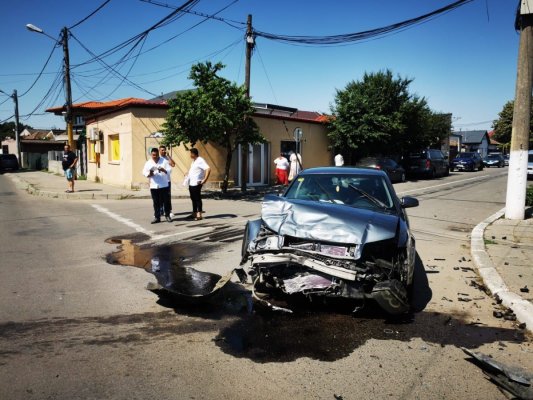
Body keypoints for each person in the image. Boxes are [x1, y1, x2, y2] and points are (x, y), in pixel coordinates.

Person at [142, 147, 171, 224]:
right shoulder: (148, 163)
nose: (154, 156)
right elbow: (144, 172)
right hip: (154, 185)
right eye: (153, 155)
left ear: (158, 154)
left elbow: (169, 170)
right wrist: (149, 174)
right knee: (156, 202)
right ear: (151, 155)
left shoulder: (164, 161)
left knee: (166, 201)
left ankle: (167, 215)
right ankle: (157, 217)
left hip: (163, 185)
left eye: (156, 155)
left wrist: (163, 170)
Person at [186, 148, 211, 221]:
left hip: (197, 183)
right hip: (191, 183)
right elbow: (194, 171)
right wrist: (187, 173)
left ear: (193, 154)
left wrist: (205, 179)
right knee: (193, 198)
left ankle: (199, 213)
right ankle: (194, 212)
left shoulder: (200, 160)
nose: (190, 155)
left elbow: (208, 169)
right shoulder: (194, 161)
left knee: (197, 198)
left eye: (190, 153)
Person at [159, 145, 176, 218]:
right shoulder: (158, 159)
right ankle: (161, 210)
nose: (163, 151)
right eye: (161, 150)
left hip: (167, 180)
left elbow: (173, 164)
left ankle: (169, 211)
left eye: (164, 150)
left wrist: (169, 156)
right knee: (160, 197)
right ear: (159, 151)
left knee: (167, 197)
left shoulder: (167, 158)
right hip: (159, 181)